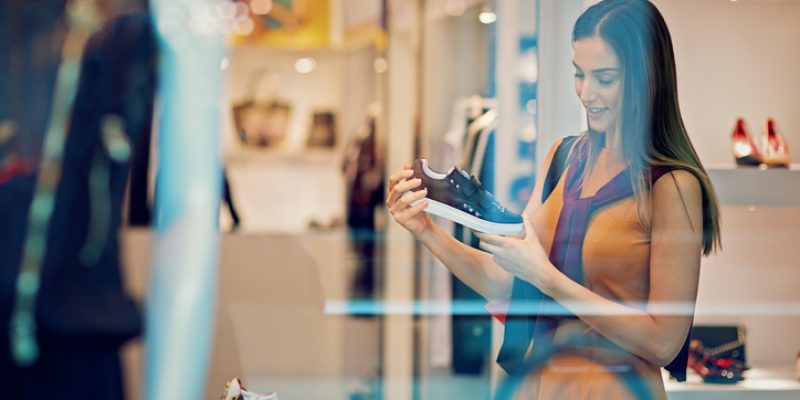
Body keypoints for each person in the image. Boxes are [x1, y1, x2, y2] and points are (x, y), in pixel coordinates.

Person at [385, 0, 721, 398]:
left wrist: (545, 277)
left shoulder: (672, 186)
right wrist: (426, 231)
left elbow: (665, 341)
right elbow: (505, 281)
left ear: (646, 78)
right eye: (579, 74)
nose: (587, 92)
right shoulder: (564, 158)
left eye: (605, 78)